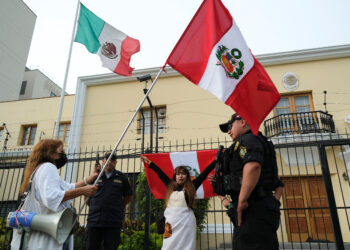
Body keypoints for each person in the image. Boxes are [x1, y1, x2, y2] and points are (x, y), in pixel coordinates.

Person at [11, 139, 98, 250]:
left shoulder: (40, 169)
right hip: (43, 240)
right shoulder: (48, 167)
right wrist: (83, 191)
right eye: (61, 151)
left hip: (37, 239)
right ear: (51, 153)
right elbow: (52, 197)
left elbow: (68, 187)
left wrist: (91, 178)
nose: (63, 154)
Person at [217, 113, 284, 250]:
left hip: (252, 209)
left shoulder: (247, 140)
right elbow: (278, 184)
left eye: (230, 126)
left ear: (243, 121)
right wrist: (274, 201)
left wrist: (242, 201)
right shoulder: (255, 141)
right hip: (257, 209)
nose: (229, 131)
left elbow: (253, 166)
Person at [141, 155, 217, 250]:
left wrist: (215, 161)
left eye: (183, 174)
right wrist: (150, 163)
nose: (180, 176)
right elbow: (160, 173)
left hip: (186, 223)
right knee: (167, 245)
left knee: (186, 246)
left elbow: (204, 173)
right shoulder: (170, 185)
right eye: (178, 174)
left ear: (187, 176)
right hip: (169, 223)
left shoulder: (192, 186)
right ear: (175, 176)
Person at [85, 152, 133, 250]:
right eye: (107, 159)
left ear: (116, 162)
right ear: (103, 161)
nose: (109, 162)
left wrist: (119, 206)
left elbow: (128, 196)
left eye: (112, 160)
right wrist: (95, 205)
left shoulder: (122, 177)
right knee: (91, 247)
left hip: (113, 221)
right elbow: (86, 195)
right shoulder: (95, 176)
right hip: (95, 221)